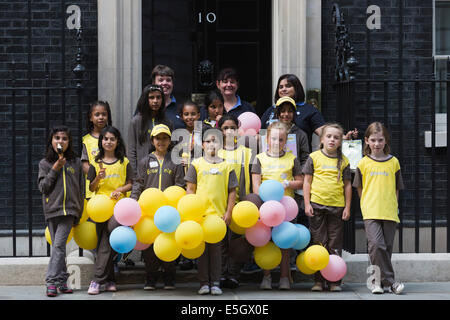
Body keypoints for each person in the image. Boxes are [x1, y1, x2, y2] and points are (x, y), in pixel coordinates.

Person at [130, 124, 185, 290]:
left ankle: (169, 276)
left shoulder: (175, 162)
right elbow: (138, 184)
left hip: (169, 211)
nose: (161, 141)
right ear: (152, 141)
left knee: (169, 242)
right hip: (149, 210)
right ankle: (151, 277)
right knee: (149, 244)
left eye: (165, 138)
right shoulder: (144, 162)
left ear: (169, 141)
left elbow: (179, 184)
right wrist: (133, 202)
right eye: (158, 138)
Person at [352, 122, 405, 295]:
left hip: (389, 210)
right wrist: (366, 203)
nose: (376, 144)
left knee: (386, 248)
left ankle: (379, 283)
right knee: (376, 245)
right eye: (373, 140)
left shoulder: (394, 162)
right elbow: (359, 188)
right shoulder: (363, 163)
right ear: (366, 140)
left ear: (386, 141)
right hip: (371, 210)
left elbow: (397, 187)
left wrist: (395, 205)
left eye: (380, 140)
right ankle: (390, 282)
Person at [185, 128, 238, 295]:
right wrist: (190, 213)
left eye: (215, 141)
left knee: (217, 251)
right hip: (200, 216)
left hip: (218, 217)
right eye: (208, 141)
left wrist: (229, 212)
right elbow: (190, 190)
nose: (212, 144)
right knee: (202, 252)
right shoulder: (196, 164)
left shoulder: (227, 165)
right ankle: (203, 283)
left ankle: (215, 282)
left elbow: (232, 191)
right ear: (202, 144)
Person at [252, 121, 303, 290]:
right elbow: (256, 187)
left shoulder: (292, 159)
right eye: (273, 139)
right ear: (267, 139)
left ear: (286, 141)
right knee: (266, 242)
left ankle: (284, 278)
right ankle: (266, 276)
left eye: (281, 140)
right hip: (267, 208)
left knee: (285, 243)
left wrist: (288, 183)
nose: (277, 142)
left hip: (287, 209)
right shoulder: (259, 159)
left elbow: (301, 182)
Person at [302, 122, 352, 292]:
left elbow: (347, 185)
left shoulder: (343, 161)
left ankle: (335, 281)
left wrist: (347, 207)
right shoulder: (314, 157)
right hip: (316, 206)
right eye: (329, 136)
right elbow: (307, 182)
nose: (332, 140)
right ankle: (318, 281)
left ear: (340, 141)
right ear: (321, 139)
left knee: (335, 243)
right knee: (319, 243)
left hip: (336, 207)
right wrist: (307, 203)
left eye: (336, 137)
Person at [38, 125, 84, 297]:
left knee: (58, 246)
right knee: (60, 248)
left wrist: (79, 210)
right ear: (51, 141)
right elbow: (43, 187)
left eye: (64, 138)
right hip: (52, 210)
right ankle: (63, 281)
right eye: (57, 138)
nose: (61, 141)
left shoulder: (76, 162)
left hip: (69, 211)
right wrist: (55, 168)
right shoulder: (45, 163)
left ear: (69, 142)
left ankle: (51, 282)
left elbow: (81, 189)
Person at [87, 126, 134, 295]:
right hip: (99, 208)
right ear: (101, 142)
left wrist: (121, 189)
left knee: (107, 241)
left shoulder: (124, 162)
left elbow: (131, 183)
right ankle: (110, 280)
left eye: (112, 139)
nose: (108, 142)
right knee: (104, 245)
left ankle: (96, 280)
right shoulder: (95, 163)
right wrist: (98, 178)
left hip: (119, 209)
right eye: (105, 139)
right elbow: (91, 188)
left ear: (117, 141)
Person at [217, 114, 254, 289]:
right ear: (220, 131)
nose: (229, 131)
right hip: (219, 204)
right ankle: (221, 273)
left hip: (240, 204)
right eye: (225, 128)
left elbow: (252, 178)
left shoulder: (247, 152)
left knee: (236, 241)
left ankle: (233, 274)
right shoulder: (216, 152)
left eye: (232, 128)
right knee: (220, 242)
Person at [128, 84, 172, 173]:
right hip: (142, 171)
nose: (155, 101)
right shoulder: (136, 121)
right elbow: (131, 151)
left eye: (158, 97)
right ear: (145, 100)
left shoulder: (168, 122)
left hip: (163, 171)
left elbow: (171, 148)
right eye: (151, 97)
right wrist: (135, 174)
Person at [81, 101, 112, 200]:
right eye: (97, 115)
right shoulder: (86, 140)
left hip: (112, 185)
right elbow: (84, 165)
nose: (101, 117)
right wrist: (97, 175)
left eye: (104, 114)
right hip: (94, 188)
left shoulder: (113, 137)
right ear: (91, 118)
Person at [151, 65, 186, 130]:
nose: (165, 83)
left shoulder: (182, 106)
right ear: (154, 83)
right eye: (160, 80)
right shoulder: (146, 106)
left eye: (168, 80)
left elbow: (197, 126)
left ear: (172, 83)